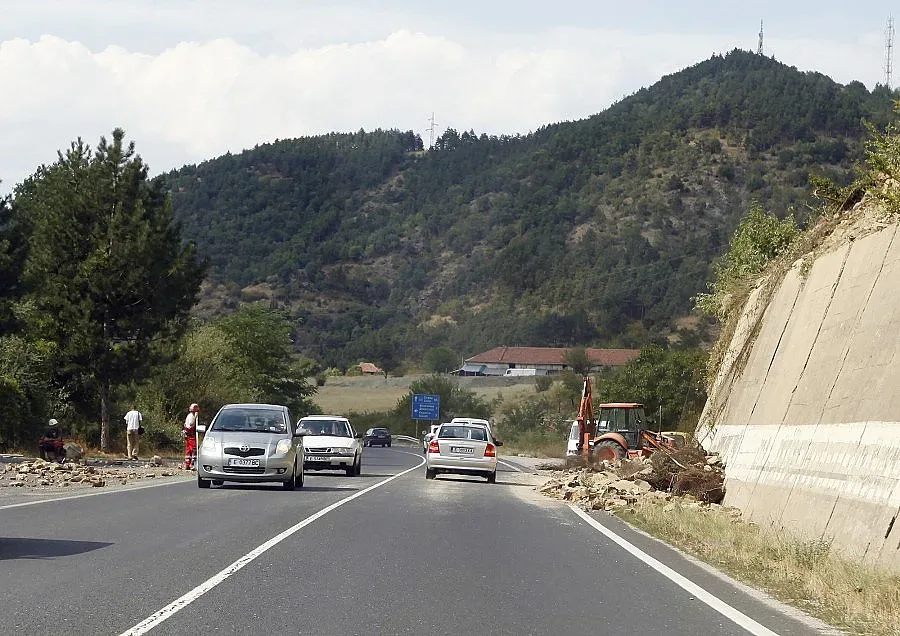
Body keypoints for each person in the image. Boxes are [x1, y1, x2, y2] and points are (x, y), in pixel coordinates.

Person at [183, 403, 200, 470]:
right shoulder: (191, 416)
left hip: (190, 435)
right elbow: (191, 425)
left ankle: (188, 464)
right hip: (190, 436)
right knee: (194, 449)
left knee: (189, 450)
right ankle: (193, 464)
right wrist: (195, 417)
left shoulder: (190, 415)